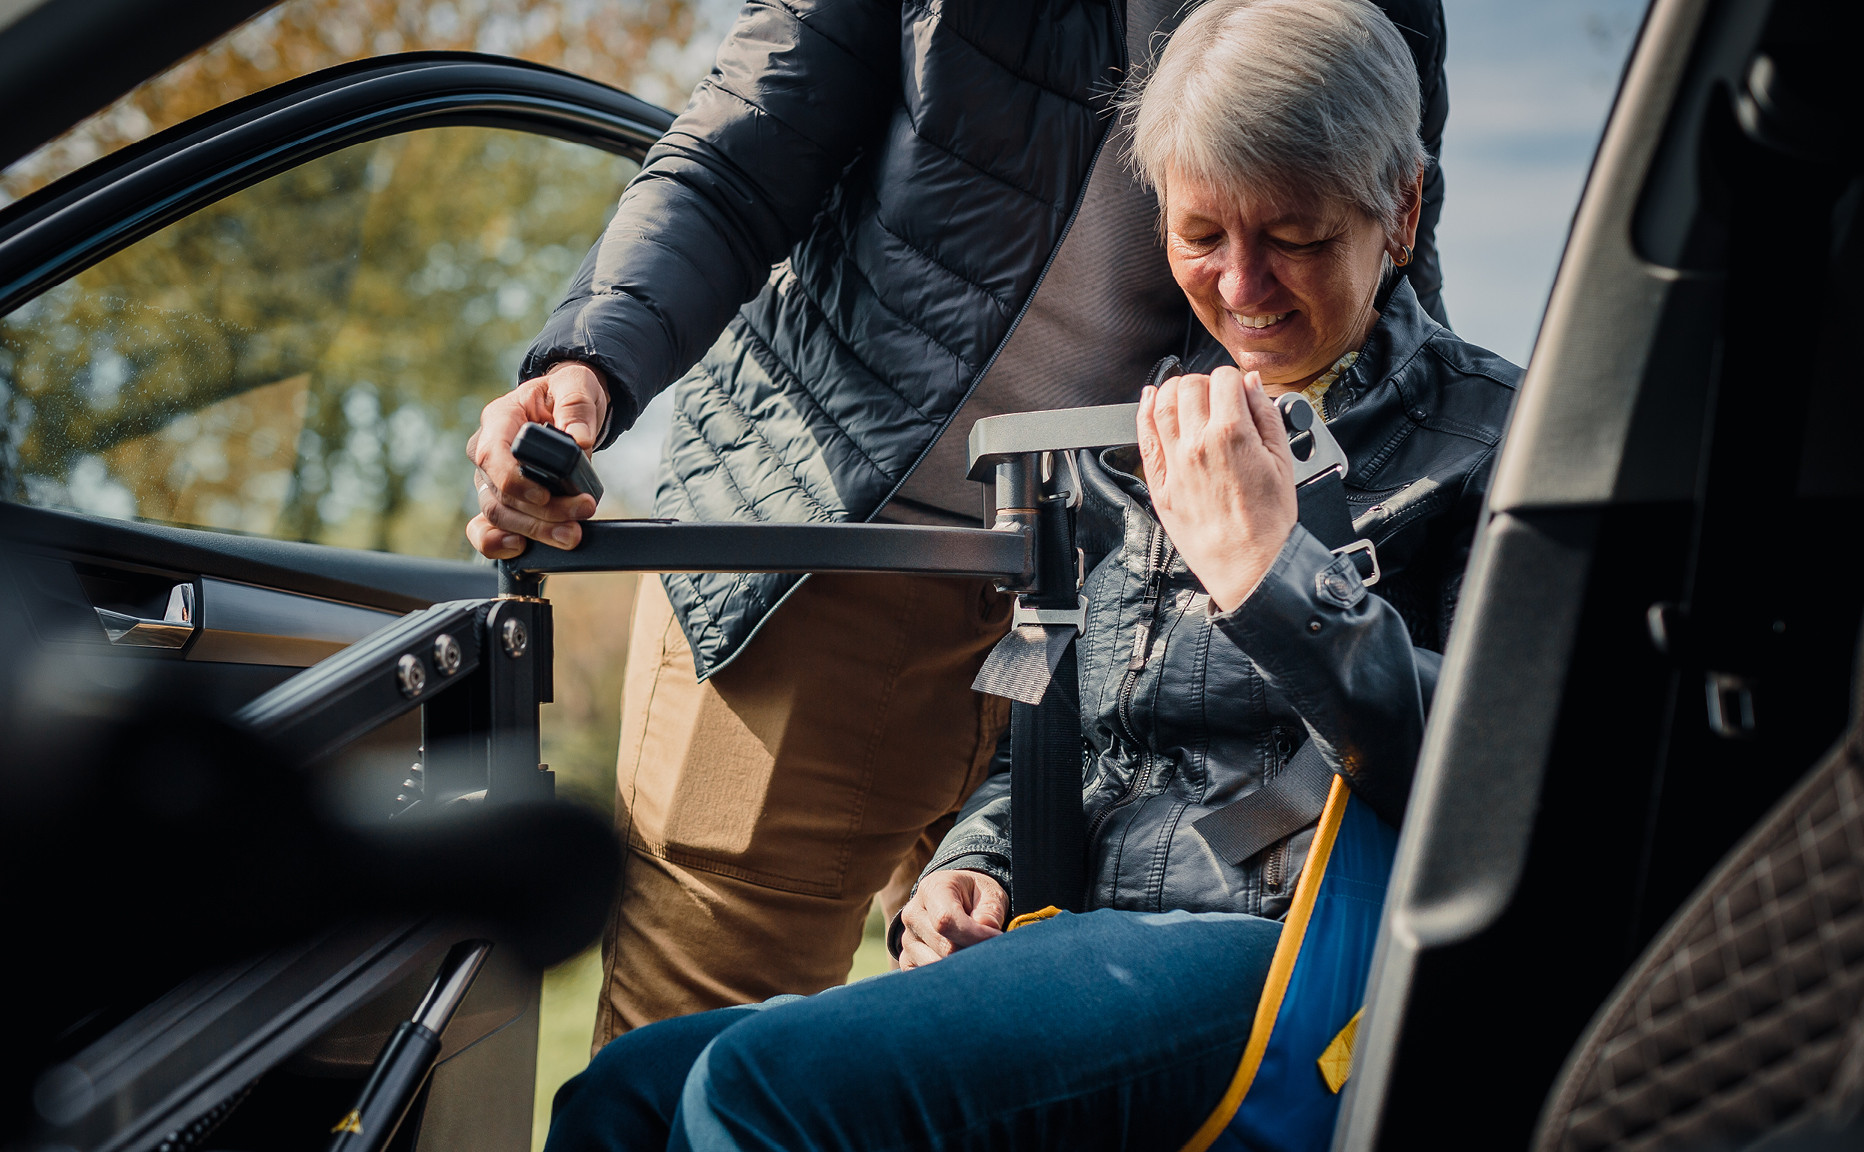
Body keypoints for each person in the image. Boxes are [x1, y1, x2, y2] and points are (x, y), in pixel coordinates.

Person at [539, 0, 1517, 1146]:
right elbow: (1086, 735)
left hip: (1294, 951)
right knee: (633, 1088)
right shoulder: (1146, 434)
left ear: (1400, 212)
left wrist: (1271, 577)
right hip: (1091, 932)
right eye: (1200, 235)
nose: (1241, 290)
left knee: (750, 1089)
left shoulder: (1491, 445)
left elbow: (1501, 777)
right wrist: (977, 864)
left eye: (1294, 238)